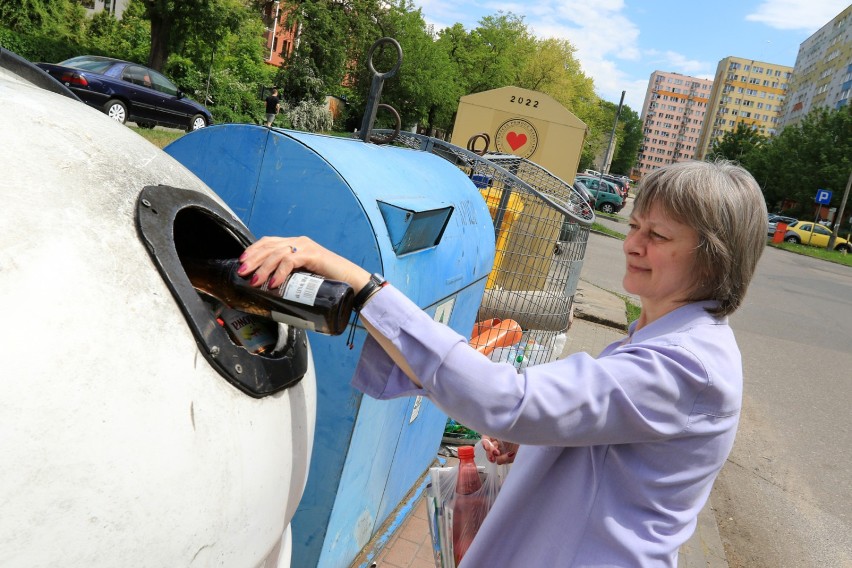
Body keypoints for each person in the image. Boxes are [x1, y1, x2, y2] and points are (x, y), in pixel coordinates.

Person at [237, 160, 768, 566]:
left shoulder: (685, 364)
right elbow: (611, 442)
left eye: (657, 236)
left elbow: (505, 400)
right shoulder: (659, 337)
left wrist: (360, 284)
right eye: (634, 226)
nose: (632, 244)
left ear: (713, 256)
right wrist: (541, 437)